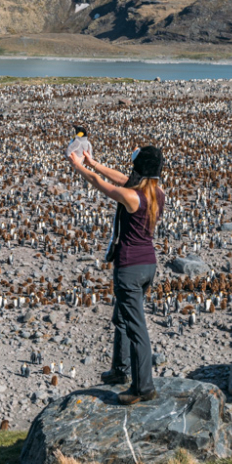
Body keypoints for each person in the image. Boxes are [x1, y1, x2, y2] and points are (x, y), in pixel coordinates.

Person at [68, 144, 165, 404]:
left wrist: (80, 167)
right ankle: (119, 370)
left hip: (129, 269)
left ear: (140, 170)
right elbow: (121, 179)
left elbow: (101, 184)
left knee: (136, 328)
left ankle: (143, 387)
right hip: (148, 266)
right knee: (122, 318)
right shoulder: (157, 192)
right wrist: (93, 161)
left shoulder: (132, 198)